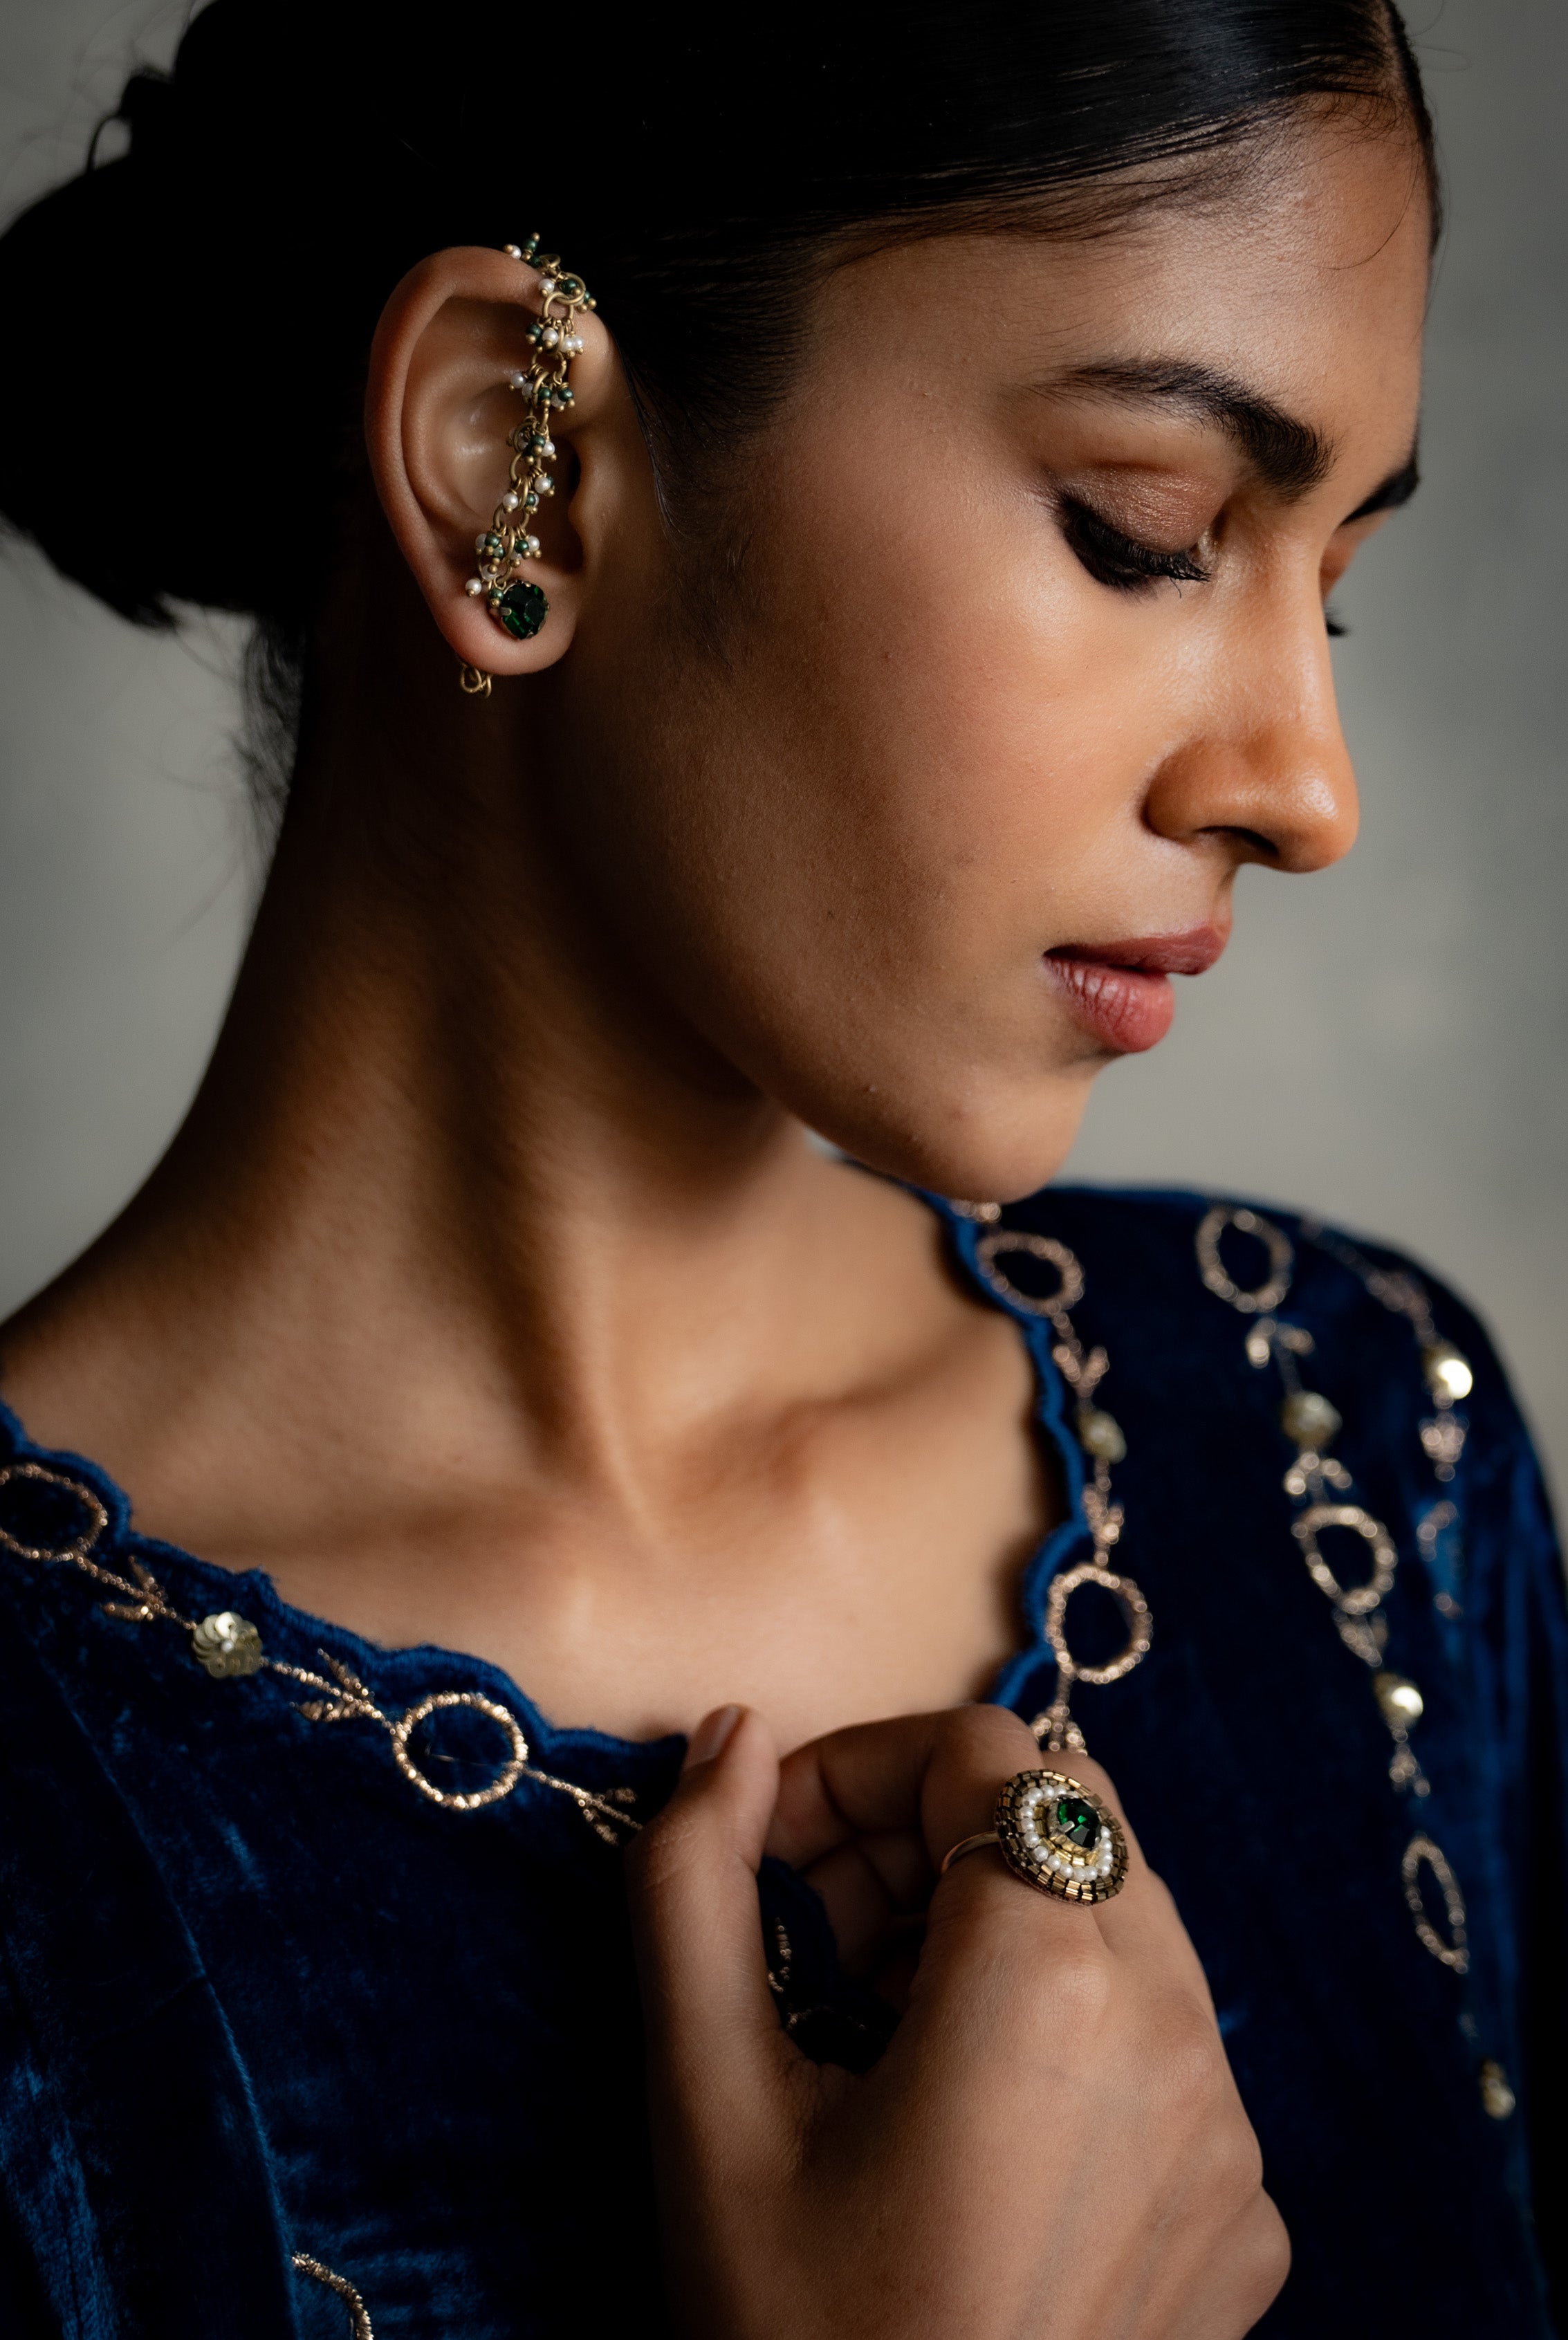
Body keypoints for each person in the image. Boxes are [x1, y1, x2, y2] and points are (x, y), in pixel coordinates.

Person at [0, 2, 1561, 2332]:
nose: (1303, 788)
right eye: (1144, 536)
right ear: (512, 463)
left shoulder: (1349, 1442)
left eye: (1322, 582)